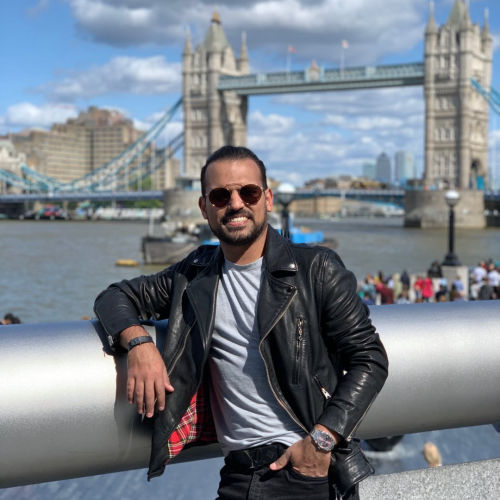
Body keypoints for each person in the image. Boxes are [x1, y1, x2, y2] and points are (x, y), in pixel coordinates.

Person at [94, 146, 389, 499]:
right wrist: (139, 344)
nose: (235, 204)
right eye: (220, 196)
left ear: (267, 199)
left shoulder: (316, 269)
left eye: (248, 192)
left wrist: (322, 441)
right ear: (204, 207)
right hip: (237, 476)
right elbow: (114, 297)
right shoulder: (194, 275)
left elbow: (369, 358)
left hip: (304, 472)